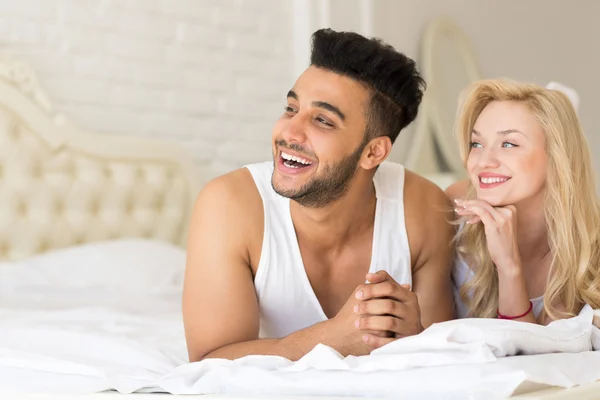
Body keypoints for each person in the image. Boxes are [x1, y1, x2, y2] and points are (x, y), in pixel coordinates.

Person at [182, 28, 455, 362]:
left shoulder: (423, 210)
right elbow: (209, 359)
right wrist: (332, 339)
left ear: (373, 152)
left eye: (323, 121)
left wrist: (414, 336)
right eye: (291, 108)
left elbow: (440, 358)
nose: (289, 132)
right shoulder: (230, 205)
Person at [447, 78, 600, 324]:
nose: (484, 161)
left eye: (508, 143)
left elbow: (533, 360)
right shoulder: (452, 209)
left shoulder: (584, 254)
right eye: (477, 143)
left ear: (556, 157)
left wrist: (509, 267)